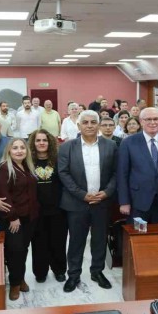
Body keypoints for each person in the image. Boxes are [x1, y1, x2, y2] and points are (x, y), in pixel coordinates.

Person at [58, 110, 117, 292]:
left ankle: (97, 271)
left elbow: (117, 172)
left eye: (93, 122)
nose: (89, 125)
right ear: (79, 125)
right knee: (76, 240)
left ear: (98, 125)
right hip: (76, 202)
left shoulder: (111, 145)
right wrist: (81, 194)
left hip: (101, 202)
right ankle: (73, 274)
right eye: (85, 122)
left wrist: (106, 192)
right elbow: (63, 173)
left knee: (99, 239)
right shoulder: (67, 147)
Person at [117, 107, 158, 224]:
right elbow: (122, 174)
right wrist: (124, 202)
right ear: (141, 121)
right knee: (138, 234)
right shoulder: (128, 142)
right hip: (137, 202)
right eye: (148, 119)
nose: (153, 122)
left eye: (156, 119)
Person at [0, 138, 38, 301]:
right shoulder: (4, 168)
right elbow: (3, 194)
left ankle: (20, 278)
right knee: (15, 251)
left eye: (22, 147)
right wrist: (12, 217)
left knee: (24, 249)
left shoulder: (27, 166)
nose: (19, 151)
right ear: (9, 150)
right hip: (14, 219)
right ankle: (14, 284)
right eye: (15, 148)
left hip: (30, 217)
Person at [29, 129, 68, 283]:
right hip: (36, 211)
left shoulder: (58, 160)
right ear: (33, 143)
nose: (41, 143)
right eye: (38, 140)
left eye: (44, 140)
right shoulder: (28, 161)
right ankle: (40, 272)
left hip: (58, 209)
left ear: (50, 142)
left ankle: (59, 270)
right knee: (39, 242)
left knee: (58, 241)